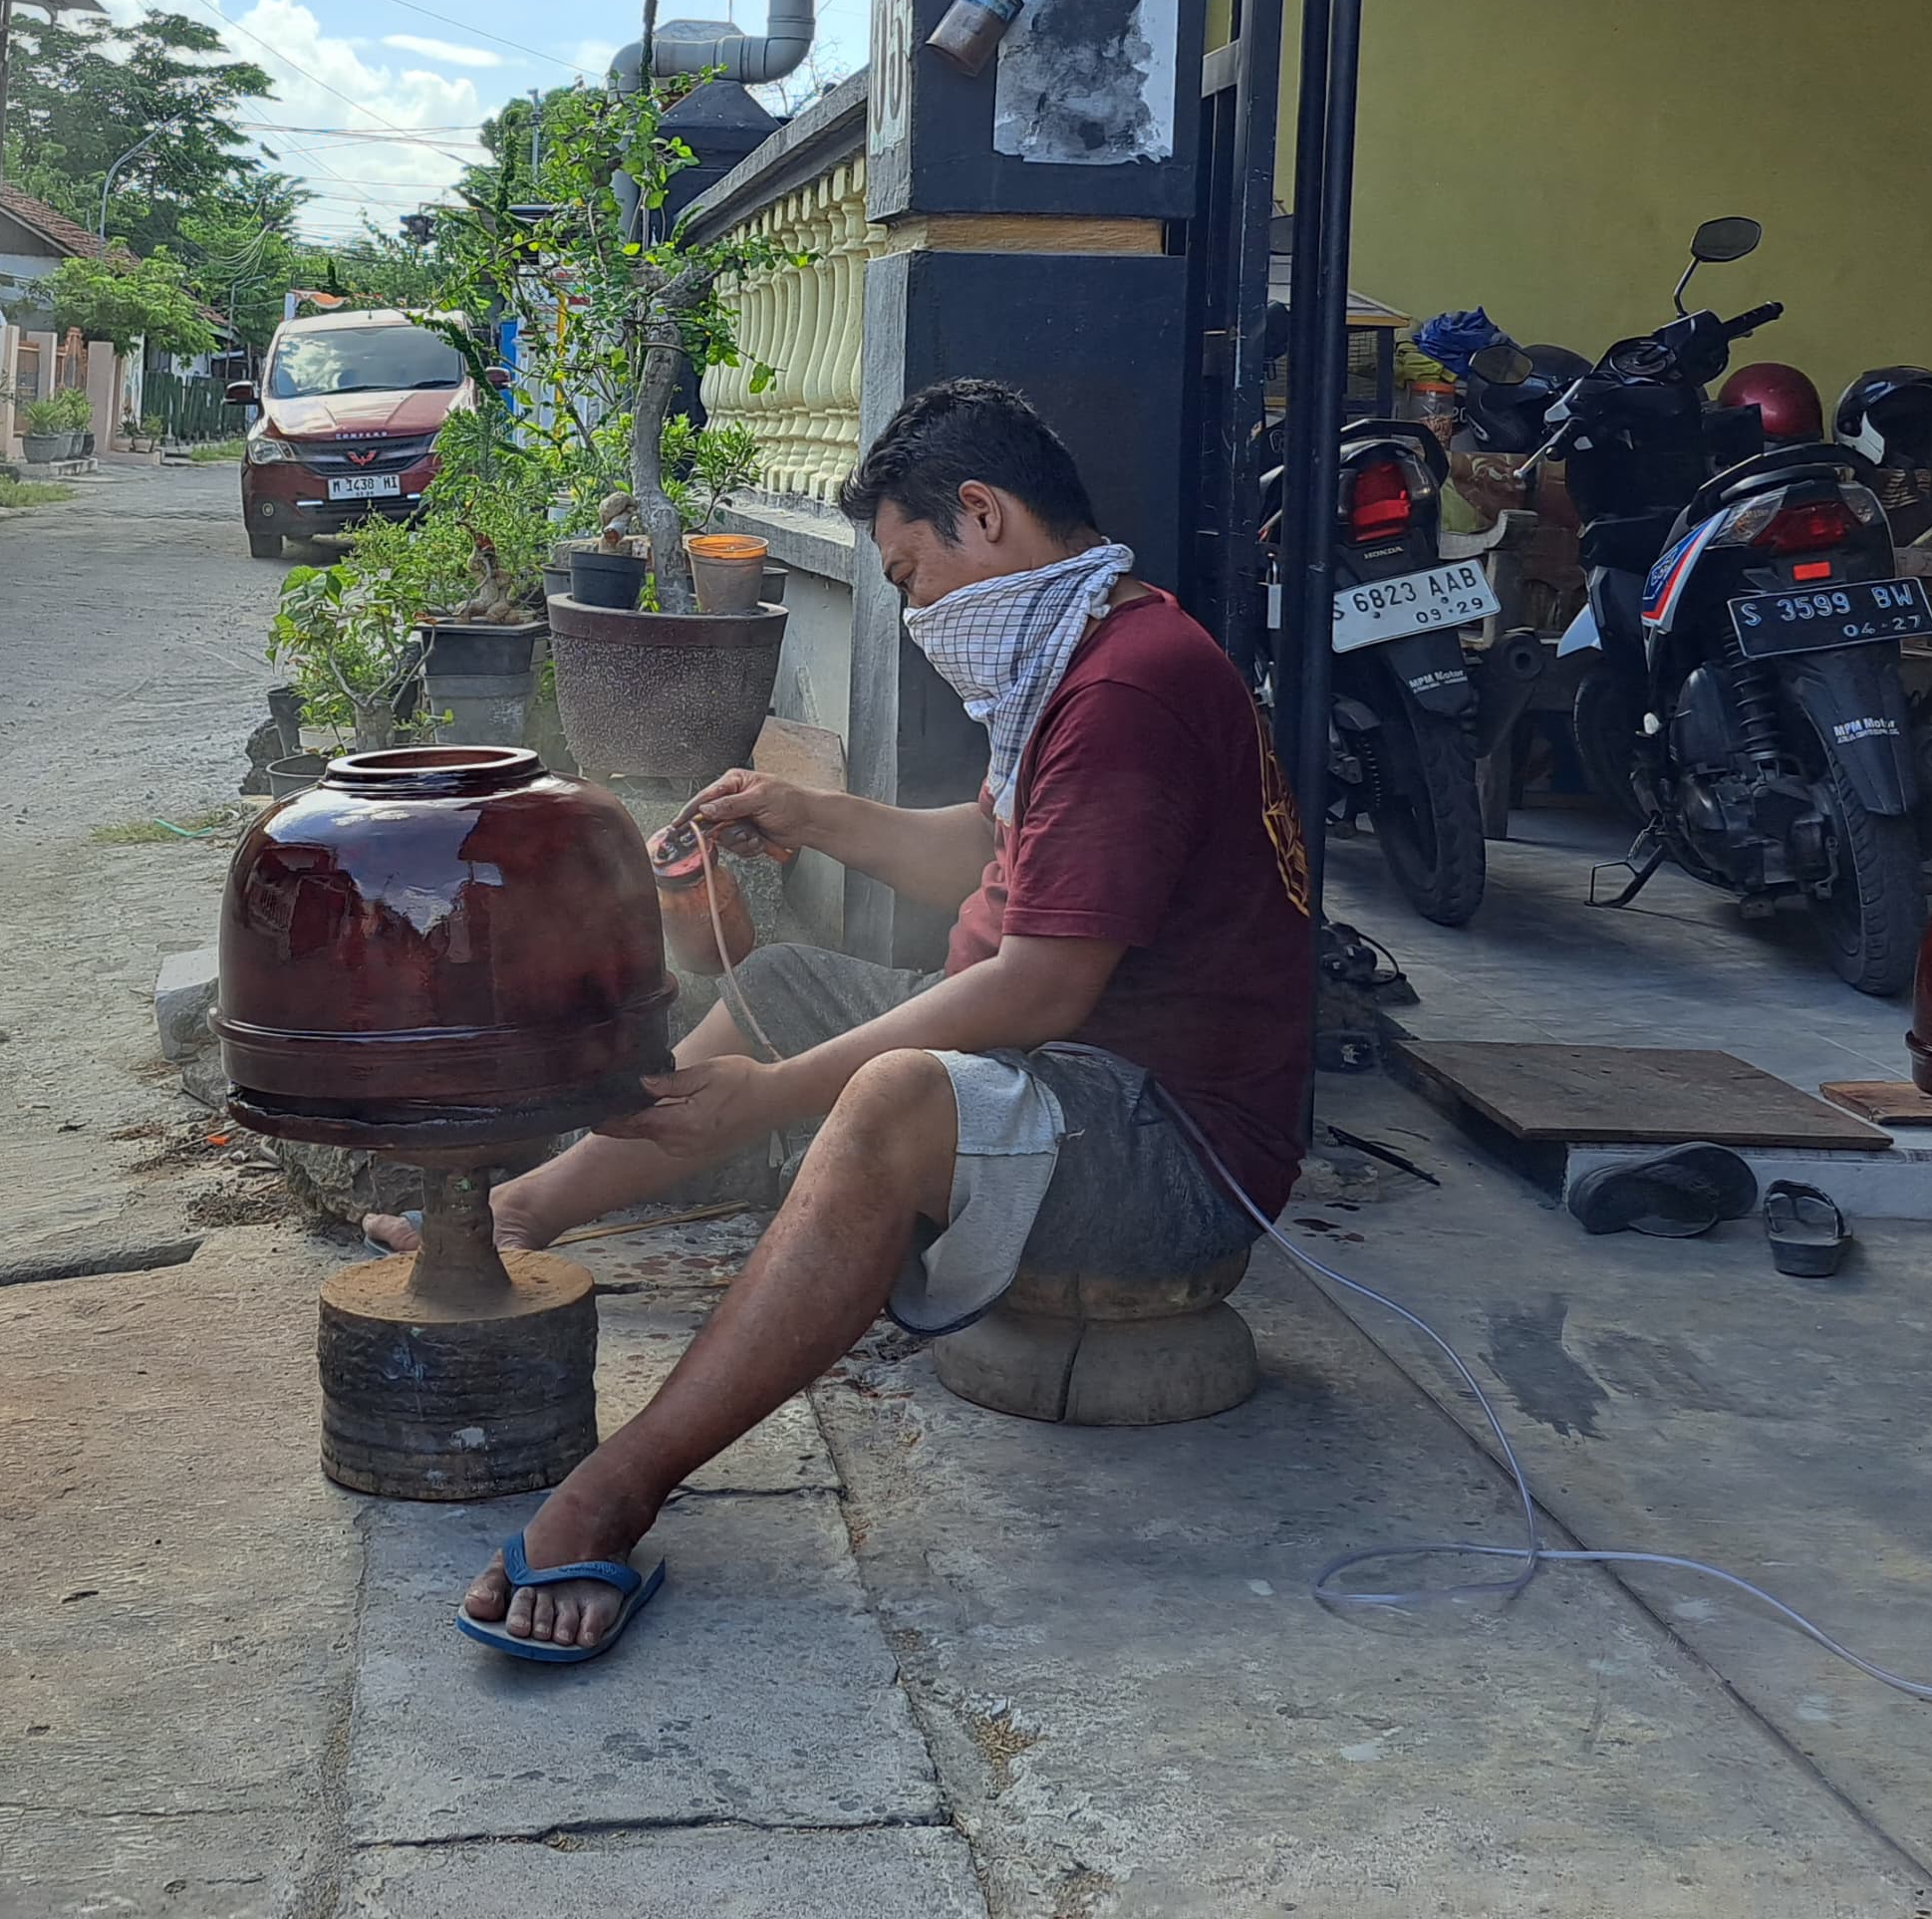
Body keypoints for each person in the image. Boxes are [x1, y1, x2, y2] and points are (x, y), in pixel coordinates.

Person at [398, 378, 1314, 1660]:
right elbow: (989, 865)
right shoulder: (1081, 647)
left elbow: (1042, 984)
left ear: (980, 515)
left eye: (906, 569)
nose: (910, 605)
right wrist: (808, 813)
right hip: (1067, 1073)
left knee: (882, 1098)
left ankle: (618, 1486)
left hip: (1171, 1146)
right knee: (779, 986)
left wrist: (778, 1100)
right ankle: (515, 1216)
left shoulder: (1126, 688)